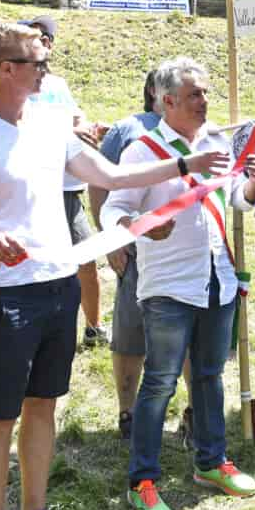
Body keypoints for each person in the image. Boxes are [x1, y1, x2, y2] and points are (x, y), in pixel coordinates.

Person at [0, 24, 232, 510]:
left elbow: (113, 178)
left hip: (59, 286)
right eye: (37, 64)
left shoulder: (53, 125)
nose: (47, 73)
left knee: (43, 408)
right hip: (6, 295)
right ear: (5, 69)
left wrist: (184, 165)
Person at [101, 57, 255, 510]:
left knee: (210, 375)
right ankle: (143, 481)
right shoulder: (143, 150)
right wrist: (137, 227)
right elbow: (113, 209)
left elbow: (236, 198)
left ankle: (211, 462)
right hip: (169, 285)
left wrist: (254, 181)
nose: (204, 101)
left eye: (206, 93)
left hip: (217, 278)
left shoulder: (216, 141)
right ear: (167, 100)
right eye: (194, 95)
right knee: (159, 382)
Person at [25, 15, 110, 348]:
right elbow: (18, 128)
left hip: (69, 187)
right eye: (34, 37)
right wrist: (70, 132)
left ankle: (94, 328)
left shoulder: (58, 85)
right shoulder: (11, 81)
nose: (41, 43)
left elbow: (77, 118)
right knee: (40, 265)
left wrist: (88, 129)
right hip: (38, 189)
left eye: (45, 38)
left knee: (86, 257)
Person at [89, 70, 162, 442]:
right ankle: (128, 412)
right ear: (153, 91)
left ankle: (193, 411)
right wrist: (111, 241)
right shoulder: (127, 129)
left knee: (186, 336)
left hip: (187, 256)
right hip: (136, 253)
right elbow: (99, 183)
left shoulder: (200, 129)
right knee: (131, 333)